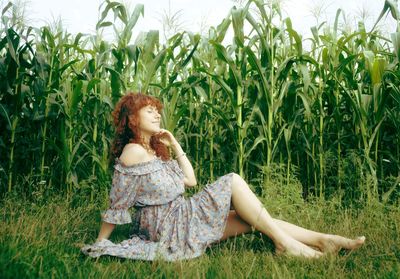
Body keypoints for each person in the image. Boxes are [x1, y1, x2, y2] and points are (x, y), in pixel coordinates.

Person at [81, 92, 365, 261]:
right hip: (167, 228)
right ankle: (288, 244)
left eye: (158, 111)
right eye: (149, 110)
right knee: (232, 180)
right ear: (133, 117)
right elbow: (118, 201)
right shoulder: (132, 151)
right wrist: (101, 241)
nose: (157, 115)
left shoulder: (154, 150)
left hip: (182, 215)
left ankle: (325, 240)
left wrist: (175, 144)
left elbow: (189, 181)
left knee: (254, 219)